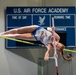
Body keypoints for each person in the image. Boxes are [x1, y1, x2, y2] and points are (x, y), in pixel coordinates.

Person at [0, 25, 72, 61]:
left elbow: (45, 58)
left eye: (57, 47)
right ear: (59, 43)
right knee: (18, 30)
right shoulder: (57, 38)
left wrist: (52, 58)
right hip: (37, 28)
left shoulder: (50, 46)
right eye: (58, 44)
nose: (56, 45)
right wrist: (51, 29)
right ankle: (2, 33)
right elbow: (49, 29)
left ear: (56, 49)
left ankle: (2, 36)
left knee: (17, 35)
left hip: (34, 36)